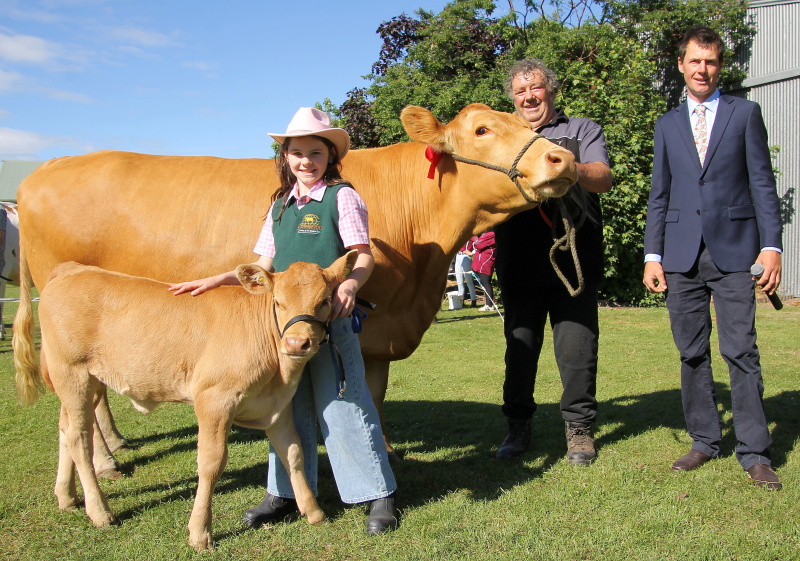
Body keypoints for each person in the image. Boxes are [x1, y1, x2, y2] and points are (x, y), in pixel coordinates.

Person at [169, 107, 400, 531]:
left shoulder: (342, 196)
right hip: (281, 327)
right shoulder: (279, 205)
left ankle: (377, 495)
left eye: (316, 152)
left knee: (345, 403)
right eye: (297, 153)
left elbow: (362, 255)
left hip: (330, 318)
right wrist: (218, 279)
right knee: (282, 408)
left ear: (331, 156)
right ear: (286, 157)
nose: (305, 161)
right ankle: (285, 494)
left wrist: (350, 285)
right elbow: (264, 262)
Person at [643, 26, 783, 490]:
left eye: (711, 62)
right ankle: (704, 439)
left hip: (736, 251)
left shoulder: (745, 114)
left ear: (720, 66)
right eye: (695, 61)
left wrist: (771, 246)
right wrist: (652, 254)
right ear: (681, 65)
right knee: (691, 353)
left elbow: (762, 183)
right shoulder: (666, 124)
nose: (703, 69)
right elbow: (659, 195)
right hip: (680, 256)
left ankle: (755, 451)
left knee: (740, 350)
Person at [493, 58, 613, 464]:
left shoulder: (581, 130)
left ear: (551, 90)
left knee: (577, 351)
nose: (529, 96)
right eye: (520, 91)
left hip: (574, 262)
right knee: (520, 350)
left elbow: (603, 176)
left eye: (536, 88)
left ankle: (579, 430)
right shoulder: (504, 136)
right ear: (513, 98)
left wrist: (568, 167)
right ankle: (517, 427)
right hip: (520, 261)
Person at [471, 230, 496, 312]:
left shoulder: (490, 234)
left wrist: (474, 241)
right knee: (485, 282)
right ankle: (489, 303)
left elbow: (479, 245)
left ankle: (489, 305)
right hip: (482, 260)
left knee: (486, 282)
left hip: (486, 261)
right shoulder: (484, 234)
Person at [455, 237, 478, 307]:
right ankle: (460, 302)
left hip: (466, 257)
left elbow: (479, 243)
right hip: (458, 256)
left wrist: (472, 252)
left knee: (469, 282)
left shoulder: (472, 235)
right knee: (459, 282)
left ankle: (473, 301)